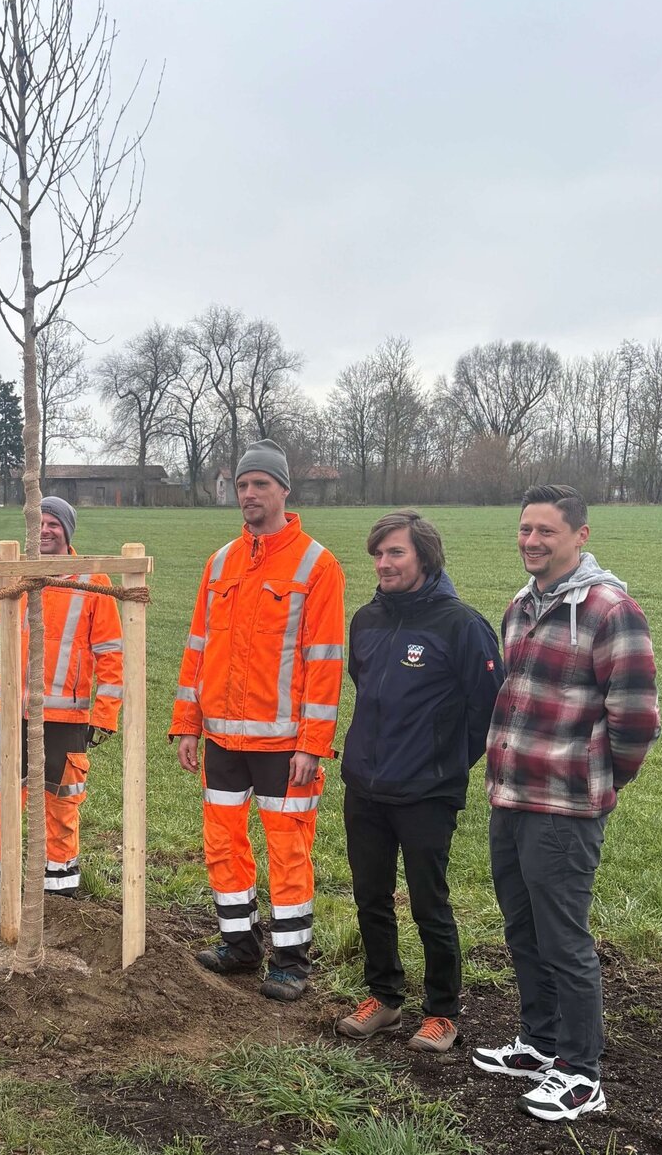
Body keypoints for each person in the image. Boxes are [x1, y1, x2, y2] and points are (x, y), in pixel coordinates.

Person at [472, 485, 660, 1121]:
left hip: (564, 809)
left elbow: (635, 720)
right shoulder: (520, 606)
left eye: (545, 531)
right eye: (525, 529)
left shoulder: (612, 611)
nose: (531, 541)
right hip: (510, 797)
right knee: (522, 929)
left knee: (563, 938)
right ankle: (540, 1042)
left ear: (580, 536)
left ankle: (582, 1073)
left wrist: (596, 783)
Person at [170, 439, 346, 1002]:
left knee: (288, 847)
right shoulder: (219, 563)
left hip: (285, 745)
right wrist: (186, 723)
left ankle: (291, 960)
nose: (249, 494)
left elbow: (325, 662)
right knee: (222, 842)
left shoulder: (317, 565)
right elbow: (197, 648)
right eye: (242, 485)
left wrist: (312, 744)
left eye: (260, 484)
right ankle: (239, 944)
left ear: (283, 490)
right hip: (221, 736)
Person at [335, 511, 504, 1052]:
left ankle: (442, 1012)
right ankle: (383, 998)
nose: (383, 563)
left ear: (425, 557)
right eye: (378, 554)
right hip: (364, 785)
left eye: (396, 553)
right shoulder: (366, 620)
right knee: (370, 897)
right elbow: (365, 685)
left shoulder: (462, 625)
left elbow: (487, 711)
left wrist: (444, 766)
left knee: (430, 902)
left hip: (427, 792)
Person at [0, 496, 123, 897]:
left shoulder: (90, 582)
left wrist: (105, 715)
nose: (45, 530)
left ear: (67, 532)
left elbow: (111, 655)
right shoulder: (11, 572)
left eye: (53, 524)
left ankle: (59, 877)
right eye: (39, 523)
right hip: (11, 710)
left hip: (66, 719)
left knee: (61, 798)